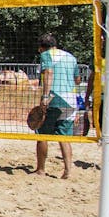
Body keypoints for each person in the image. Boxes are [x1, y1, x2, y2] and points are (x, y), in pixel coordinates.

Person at [33, 33, 80, 179]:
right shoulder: (71, 57)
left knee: (42, 133)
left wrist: (45, 97)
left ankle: (41, 170)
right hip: (71, 100)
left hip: (56, 97)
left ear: (41, 48)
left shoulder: (46, 55)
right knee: (64, 137)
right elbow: (77, 80)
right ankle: (67, 171)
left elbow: (48, 72)